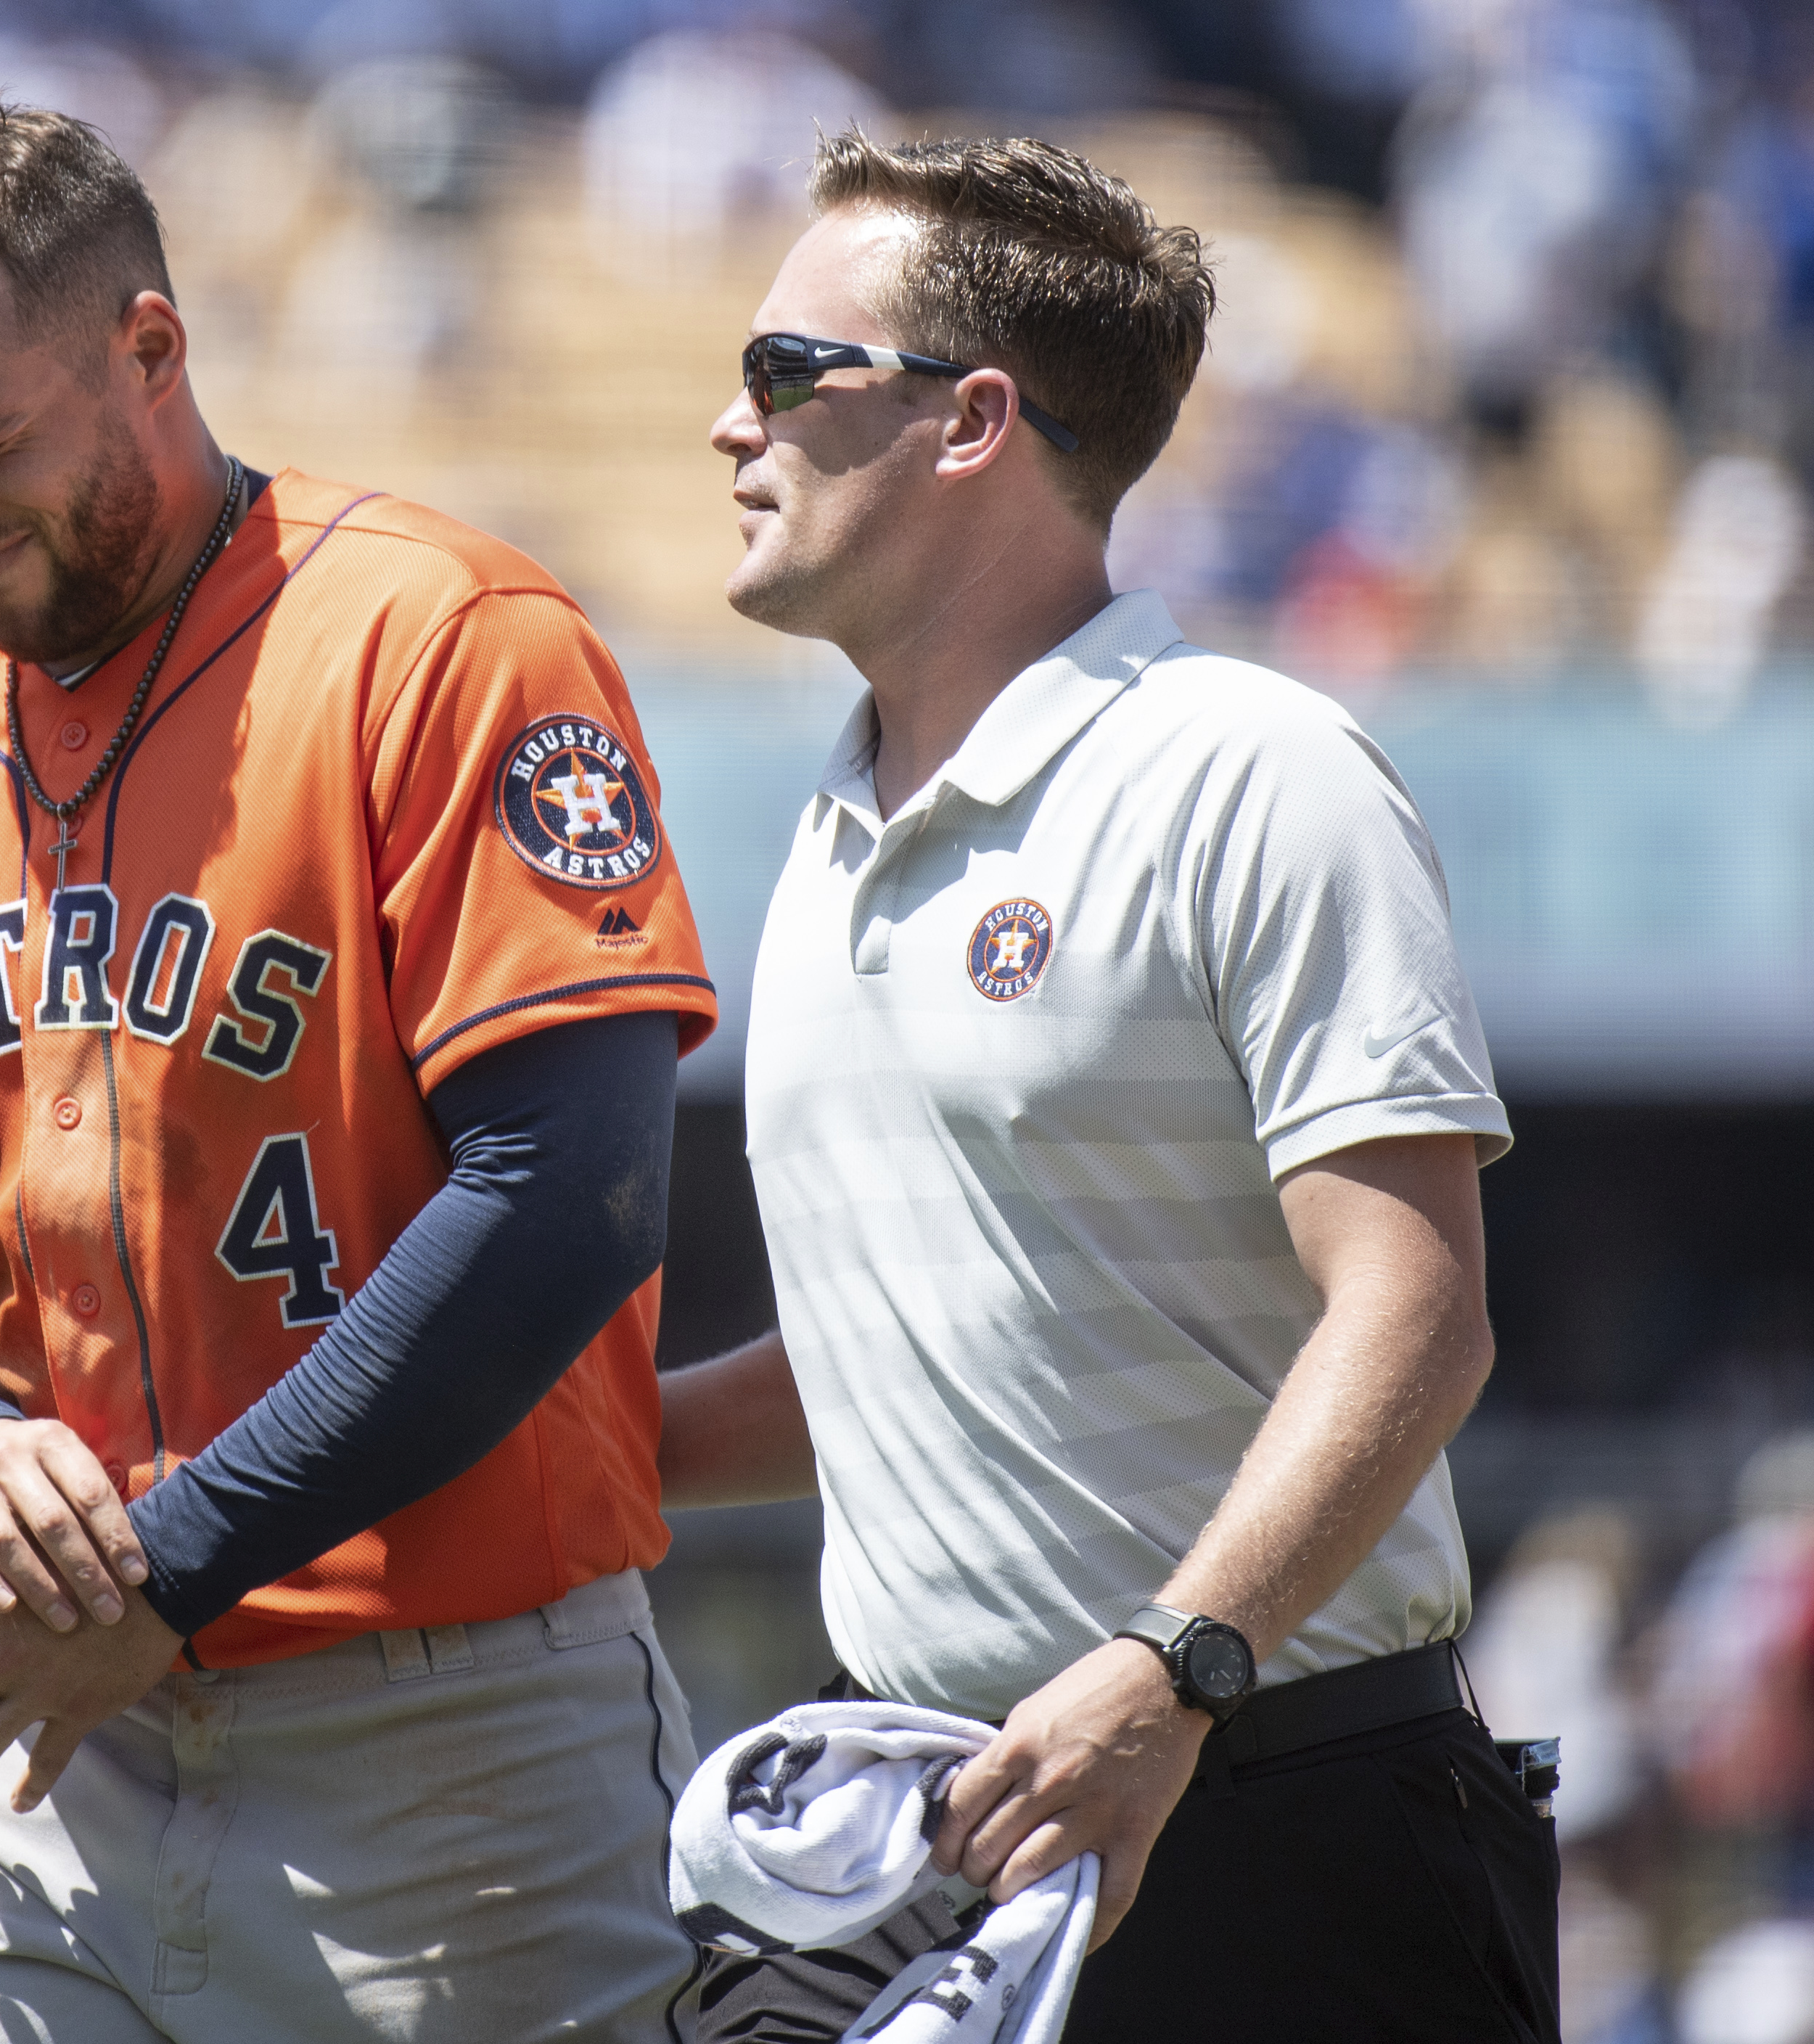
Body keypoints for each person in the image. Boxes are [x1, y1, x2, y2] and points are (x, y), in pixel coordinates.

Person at [0, 103, 721, 2043]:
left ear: (150, 352)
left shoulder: (444, 640)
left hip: (455, 1742)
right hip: (38, 1765)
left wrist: (172, 1553)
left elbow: (567, 1188)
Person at [660, 131, 1559, 2042]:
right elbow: (899, 1358)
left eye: (780, 373)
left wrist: (1169, 1670)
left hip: (1276, 1806)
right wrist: (533, 1458)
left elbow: (1417, 1309)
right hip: (938, 1830)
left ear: (971, 420)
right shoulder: (826, 833)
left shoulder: (1251, 768)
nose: (725, 428)